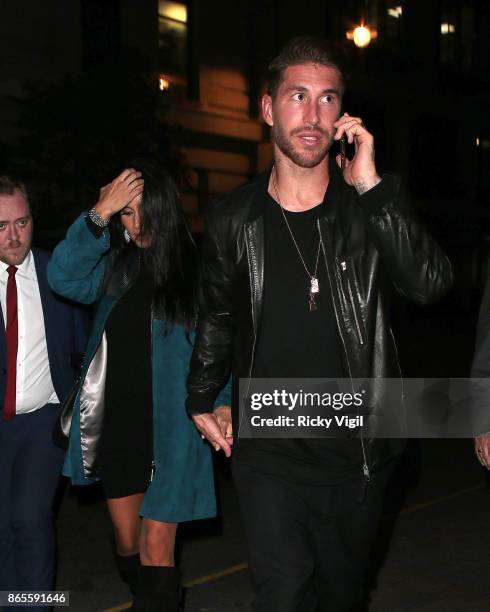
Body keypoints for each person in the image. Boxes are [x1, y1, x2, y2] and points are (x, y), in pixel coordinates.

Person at [186, 36, 453, 611]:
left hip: (356, 454)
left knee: (341, 597)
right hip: (268, 454)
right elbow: (217, 315)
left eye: (328, 99)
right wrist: (201, 396)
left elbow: (431, 285)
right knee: (281, 595)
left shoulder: (370, 207)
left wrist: (372, 187)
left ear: (344, 114)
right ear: (267, 109)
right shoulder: (234, 218)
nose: (313, 115)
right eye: (298, 96)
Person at [47, 160, 230, 612]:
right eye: (126, 213)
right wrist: (98, 215)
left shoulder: (198, 269)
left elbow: (221, 346)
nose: (137, 221)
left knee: (155, 547)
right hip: (119, 428)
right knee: (129, 546)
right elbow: (63, 277)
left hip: (176, 430)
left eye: (143, 210)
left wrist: (223, 403)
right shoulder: (114, 268)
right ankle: (145, 592)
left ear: (167, 208)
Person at [0, 175, 88, 608]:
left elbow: (83, 346)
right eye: (1, 226)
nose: (14, 236)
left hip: (42, 422)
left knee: (30, 520)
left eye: (22, 222)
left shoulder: (58, 275)